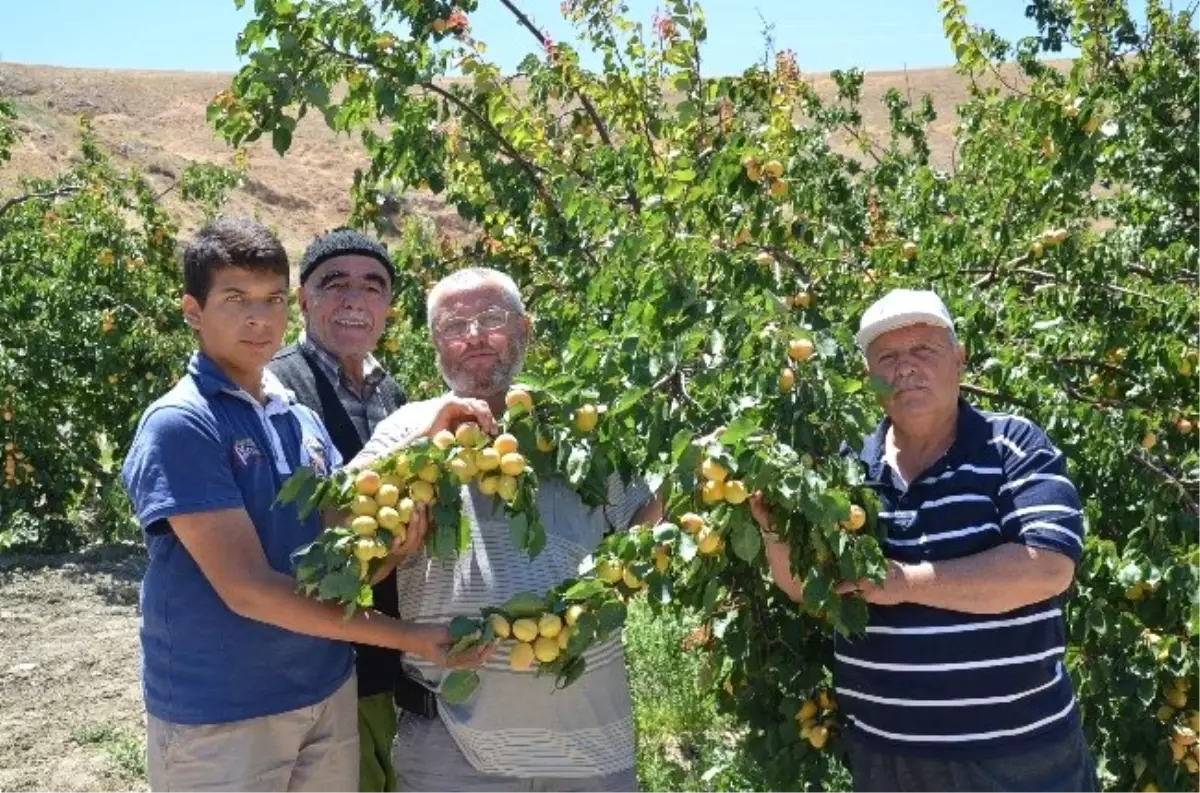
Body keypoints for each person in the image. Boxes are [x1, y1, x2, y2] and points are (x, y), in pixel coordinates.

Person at [121, 218, 490, 793]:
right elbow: (247, 588)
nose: (257, 318)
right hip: (225, 710)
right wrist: (410, 635)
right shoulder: (182, 424)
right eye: (235, 299)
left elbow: (336, 552)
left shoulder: (299, 419)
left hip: (324, 690)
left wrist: (424, 453)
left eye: (270, 300)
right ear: (193, 311)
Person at [750, 288, 1099, 793]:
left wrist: (905, 582)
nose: (905, 368)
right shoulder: (845, 468)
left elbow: (1048, 566)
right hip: (887, 756)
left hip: (1018, 757)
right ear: (869, 376)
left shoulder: (1012, 445)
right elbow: (809, 588)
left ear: (959, 359)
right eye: (887, 357)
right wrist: (773, 528)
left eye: (923, 351)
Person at [351, 267, 662, 793]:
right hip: (455, 752)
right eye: (454, 325)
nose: (473, 335)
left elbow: (647, 517)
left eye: (491, 319)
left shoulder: (577, 429)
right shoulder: (407, 429)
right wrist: (423, 447)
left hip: (591, 747)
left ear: (525, 329)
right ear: (435, 344)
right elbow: (340, 537)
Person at [267, 228, 411, 793]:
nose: (356, 299)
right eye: (335, 283)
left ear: (388, 306)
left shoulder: (391, 394)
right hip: (319, 665)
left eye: (373, 286)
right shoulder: (277, 387)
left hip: (389, 654)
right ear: (304, 299)